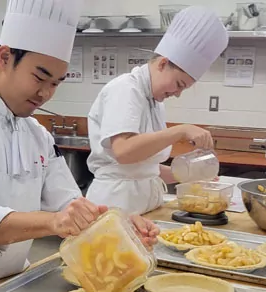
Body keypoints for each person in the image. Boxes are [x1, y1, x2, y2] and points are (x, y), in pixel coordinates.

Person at [0, 1, 158, 292]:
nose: (45, 93)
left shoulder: (36, 134)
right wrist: (52, 222)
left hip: (12, 287)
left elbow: (69, 203)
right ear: (5, 57)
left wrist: (121, 226)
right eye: (39, 78)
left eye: (55, 83)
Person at [86, 6, 229, 215]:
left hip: (145, 205)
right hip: (115, 205)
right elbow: (124, 152)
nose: (178, 93)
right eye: (179, 84)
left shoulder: (154, 101)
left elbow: (145, 169)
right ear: (163, 64)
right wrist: (180, 131)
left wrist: (189, 174)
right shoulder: (126, 89)